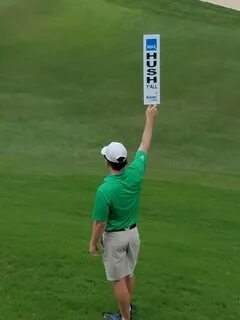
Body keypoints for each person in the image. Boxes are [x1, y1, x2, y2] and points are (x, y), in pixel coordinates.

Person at [89, 105, 158, 320]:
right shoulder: (136, 172)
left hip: (116, 238)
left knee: (118, 280)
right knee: (129, 273)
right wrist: (150, 117)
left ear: (107, 162)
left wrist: (93, 243)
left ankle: (125, 317)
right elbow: (145, 144)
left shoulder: (105, 189)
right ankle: (128, 309)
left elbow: (100, 223)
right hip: (133, 234)